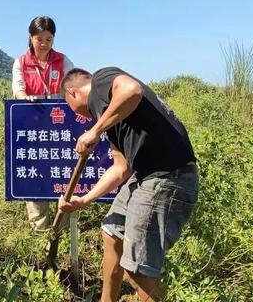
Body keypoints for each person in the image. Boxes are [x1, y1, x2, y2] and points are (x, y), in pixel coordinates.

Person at [58, 67, 198, 302]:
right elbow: (121, 168)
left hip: (166, 176)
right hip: (145, 175)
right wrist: (83, 200)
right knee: (112, 232)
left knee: (137, 269)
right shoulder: (111, 118)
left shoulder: (102, 81)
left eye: (69, 106)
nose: (78, 116)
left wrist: (94, 131)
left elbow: (133, 90)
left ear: (71, 93)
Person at [12, 16, 74, 231]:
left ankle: (62, 232)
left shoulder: (63, 61)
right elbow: (18, 87)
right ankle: (40, 232)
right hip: (34, 129)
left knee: (61, 175)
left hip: (59, 129)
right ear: (31, 37)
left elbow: (73, 85)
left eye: (49, 39)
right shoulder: (21, 62)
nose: (45, 44)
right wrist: (23, 97)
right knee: (35, 175)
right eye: (40, 39)